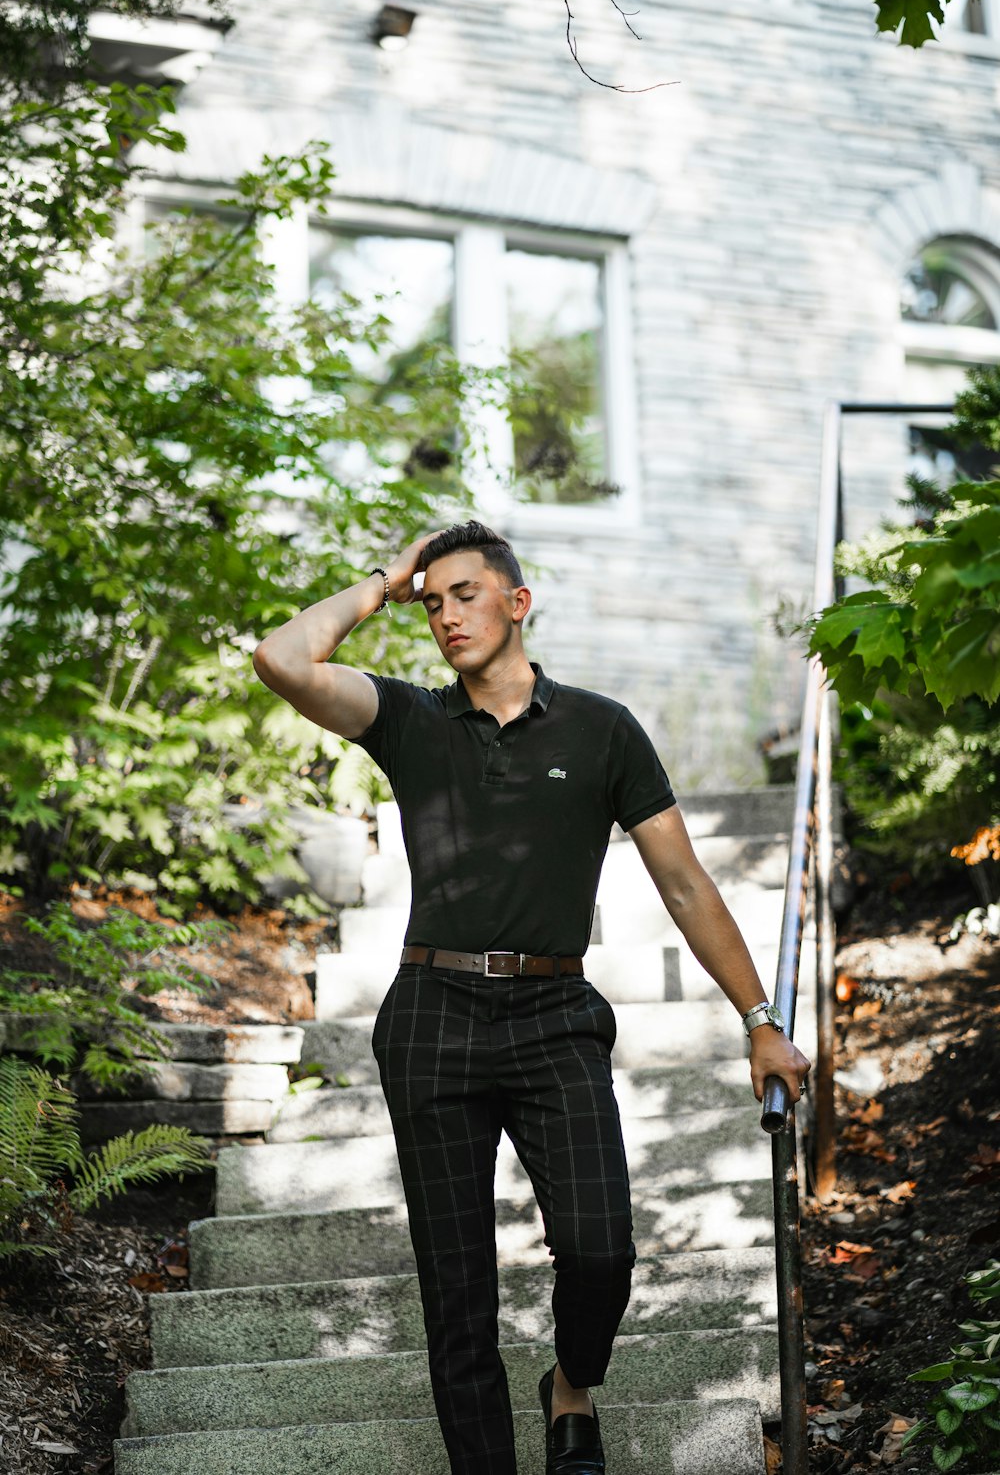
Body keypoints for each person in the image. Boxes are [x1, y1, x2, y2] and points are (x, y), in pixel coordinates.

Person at [252, 519, 811, 1475]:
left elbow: (684, 884)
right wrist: (386, 580)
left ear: (518, 602)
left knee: (600, 1249)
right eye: (432, 604)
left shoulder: (601, 729)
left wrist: (759, 1020)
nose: (445, 617)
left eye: (464, 594)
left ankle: (571, 1387)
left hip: (554, 1016)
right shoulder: (410, 719)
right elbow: (281, 656)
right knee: (455, 1287)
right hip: (431, 1016)